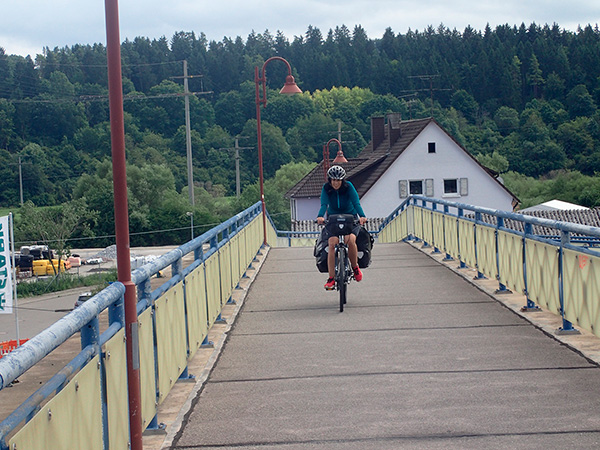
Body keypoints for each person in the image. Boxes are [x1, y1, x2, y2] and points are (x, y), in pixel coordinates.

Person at [317, 165, 368, 290]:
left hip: (350, 217)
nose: (336, 183)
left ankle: (355, 267)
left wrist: (362, 216)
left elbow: (356, 202)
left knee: (350, 240)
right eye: (333, 180)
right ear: (330, 180)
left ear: (342, 180)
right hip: (333, 218)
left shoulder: (348, 187)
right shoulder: (326, 188)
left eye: (338, 180)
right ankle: (331, 278)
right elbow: (324, 204)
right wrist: (320, 216)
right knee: (331, 243)